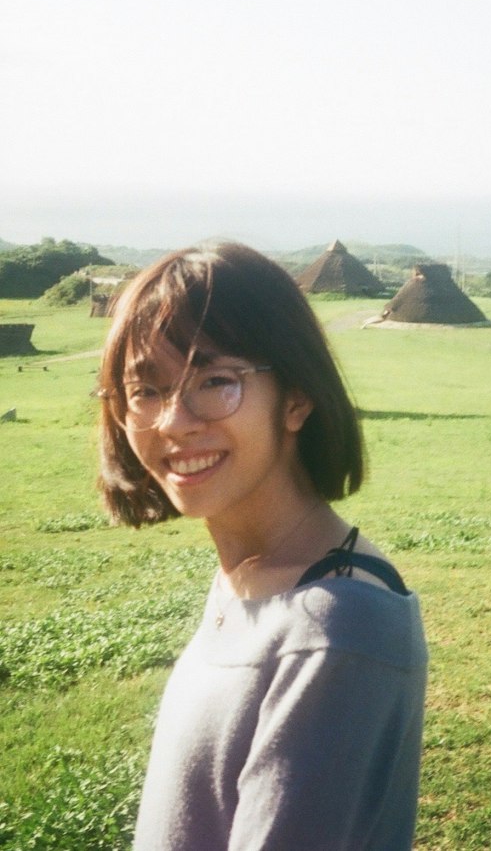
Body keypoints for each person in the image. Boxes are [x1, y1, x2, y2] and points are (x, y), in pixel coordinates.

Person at [95, 242, 428, 851]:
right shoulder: (251, 578)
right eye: (145, 391)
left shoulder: (335, 630)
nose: (172, 422)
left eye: (215, 381)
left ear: (296, 397)